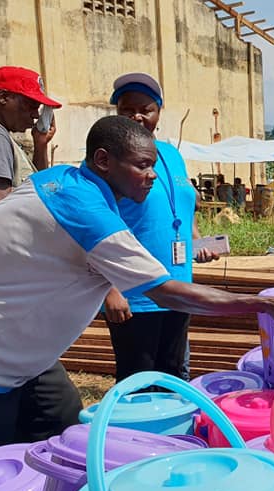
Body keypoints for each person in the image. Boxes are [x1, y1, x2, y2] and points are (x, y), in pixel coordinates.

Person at [0, 116, 274, 452]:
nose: (152, 175)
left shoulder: (60, 181)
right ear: (104, 161)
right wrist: (261, 305)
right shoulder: (85, 209)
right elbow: (166, 291)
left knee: (63, 431)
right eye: (142, 165)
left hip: (31, 359)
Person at [101, 72, 220, 383]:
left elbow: (183, 203)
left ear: (158, 112)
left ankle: (173, 433)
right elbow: (94, 226)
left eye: (146, 109)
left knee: (174, 376)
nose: (137, 116)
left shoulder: (171, 155)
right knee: (138, 381)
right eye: (128, 110)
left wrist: (197, 241)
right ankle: (136, 434)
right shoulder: (109, 160)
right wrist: (110, 288)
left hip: (178, 285)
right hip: (136, 294)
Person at [0, 66, 59, 223]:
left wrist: (40, 144)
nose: (35, 115)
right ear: (4, 97)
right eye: (31, 105)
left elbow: (34, 186)